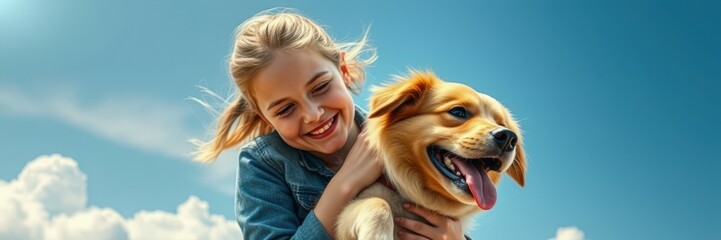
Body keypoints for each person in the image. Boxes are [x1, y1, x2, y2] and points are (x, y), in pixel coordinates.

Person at [193, 8, 467, 240]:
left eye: (321, 87)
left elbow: (450, 206)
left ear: (343, 70)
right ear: (266, 118)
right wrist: (346, 184)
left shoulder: (400, 134)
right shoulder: (264, 164)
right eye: (286, 109)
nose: (312, 114)